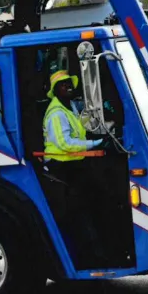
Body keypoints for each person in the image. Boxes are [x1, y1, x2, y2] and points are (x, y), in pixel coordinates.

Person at [42, 70, 107, 266]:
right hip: (60, 168)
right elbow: (65, 144)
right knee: (77, 212)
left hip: (73, 165)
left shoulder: (69, 107)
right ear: (55, 90)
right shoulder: (56, 113)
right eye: (63, 84)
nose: (68, 86)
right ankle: (89, 256)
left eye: (69, 83)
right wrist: (93, 144)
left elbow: (82, 129)